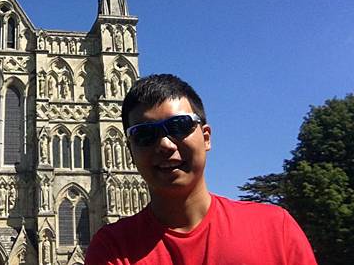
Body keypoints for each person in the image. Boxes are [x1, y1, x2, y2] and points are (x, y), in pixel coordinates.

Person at [85, 74, 317, 265]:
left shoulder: (275, 228)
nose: (165, 144)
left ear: (206, 137)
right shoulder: (112, 249)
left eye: (179, 126)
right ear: (129, 151)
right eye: (144, 134)